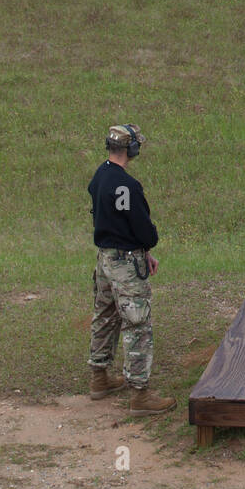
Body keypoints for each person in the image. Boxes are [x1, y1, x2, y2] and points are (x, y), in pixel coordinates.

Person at [86, 124, 175, 415]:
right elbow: (142, 229)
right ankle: (140, 394)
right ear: (131, 149)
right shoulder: (128, 186)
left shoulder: (100, 176)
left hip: (105, 260)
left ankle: (98, 378)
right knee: (137, 325)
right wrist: (148, 245)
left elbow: (109, 217)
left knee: (105, 316)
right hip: (126, 263)